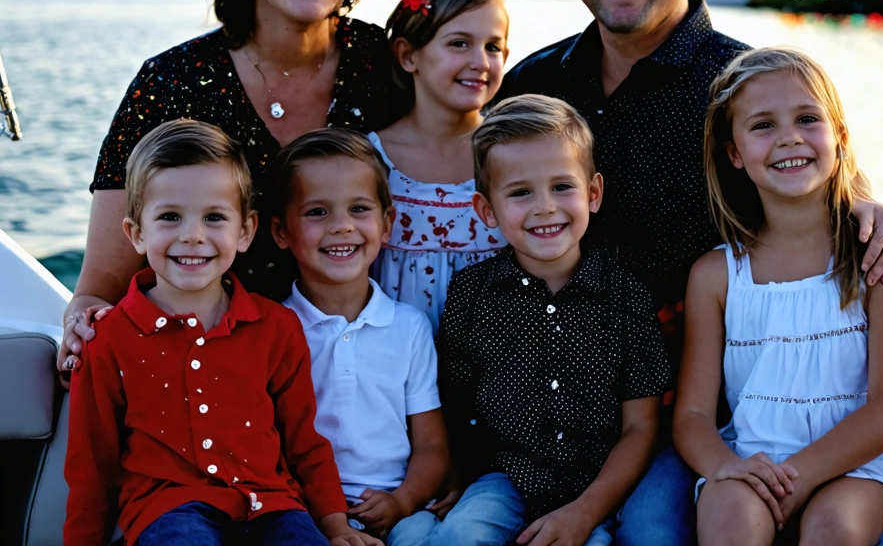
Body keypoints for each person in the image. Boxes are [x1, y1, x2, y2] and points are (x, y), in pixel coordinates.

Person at [496, 0, 883, 544]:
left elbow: (830, 189)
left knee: (660, 530)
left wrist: (873, 220)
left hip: (686, 414)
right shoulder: (534, 85)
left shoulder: (746, 86)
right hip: (556, 403)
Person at [60, 0, 406, 376]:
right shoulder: (169, 84)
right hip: (214, 383)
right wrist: (84, 326)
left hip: (374, 374)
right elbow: (100, 288)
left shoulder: (392, 69)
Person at [63, 119, 379, 546]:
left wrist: (335, 525)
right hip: (168, 507)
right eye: (170, 217)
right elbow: (91, 467)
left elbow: (305, 440)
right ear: (136, 233)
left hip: (272, 504)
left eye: (214, 217)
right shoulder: (108, 340)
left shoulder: (276, 328)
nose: (193, 236)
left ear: (245, 231)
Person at [675, 47, 883, 545]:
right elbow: (693, 415)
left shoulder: (877, 258)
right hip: (749, 461)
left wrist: (805, 473)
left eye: (807, 119)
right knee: (731, 522)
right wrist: (726, 468)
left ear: (840, 138)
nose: (789, 137)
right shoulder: (716, 276)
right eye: (762, 125)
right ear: (735, 154)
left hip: (854, 468)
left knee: (834, 528)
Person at [408, 95, 669, 546]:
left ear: (593, 193)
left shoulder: (626, 295)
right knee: (459, 536)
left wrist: (586, 512)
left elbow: (640, 427)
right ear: (486, 210)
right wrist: (452, 472)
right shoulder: (472, 294)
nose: (545, 207)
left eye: (562, 187)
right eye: (520, 192)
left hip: (600, 486)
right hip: (503, 476)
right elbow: (453, 397)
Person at [272, 128, 451, 543]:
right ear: (281, 232)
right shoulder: (273, 329)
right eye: (317, 212)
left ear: (386, 223)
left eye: (359, 209)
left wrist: (403, 502)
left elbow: (431, 447)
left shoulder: (409, 327)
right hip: (303, 511)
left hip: (399, 508)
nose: (341, 227)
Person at [370, 0, 510, 332]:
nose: (479, 62)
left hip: (491, 373)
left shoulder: (514, 156)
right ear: (408, 55)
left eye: (492, 46)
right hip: (393, 370)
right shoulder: (369, 160)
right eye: (459, 43)